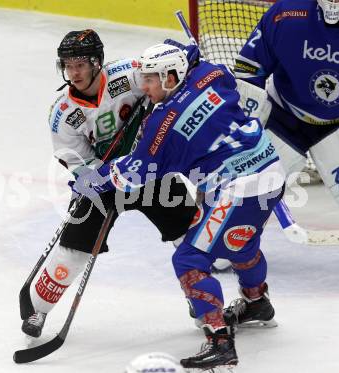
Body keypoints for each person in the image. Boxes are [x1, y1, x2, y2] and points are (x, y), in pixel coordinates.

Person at [71, 42, 285, 370]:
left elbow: (132, 175)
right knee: (241, 243)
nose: (144, 87)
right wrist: (189, 55)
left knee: (190, 258)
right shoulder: (210, 75)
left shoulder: (162, 126)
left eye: (152, 80)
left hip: (238, 186)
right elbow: (214, 69)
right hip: (270, 169)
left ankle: (220, 341)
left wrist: (93, 179)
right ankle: (257, 303)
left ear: (172, 77)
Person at [21, 30, 198, 338]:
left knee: (190, 234)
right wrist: (97, 177)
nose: (73, 73)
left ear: (96, 62)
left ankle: (200, 299)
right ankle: (39, 308)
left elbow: (164, 77)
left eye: (80, 65)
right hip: (107, 183)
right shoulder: (63, 114)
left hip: (150, 171)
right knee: (74, 250)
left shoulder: (128, 73)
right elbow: (73, 159)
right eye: (67, 65)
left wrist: (179, 62)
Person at [234, 0, 339, 231]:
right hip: (285, 117)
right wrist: (246, 124)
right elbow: (248, 71)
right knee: (237, 204)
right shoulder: (286, 14)